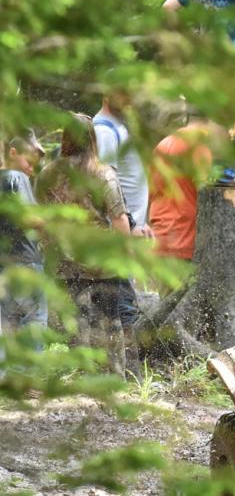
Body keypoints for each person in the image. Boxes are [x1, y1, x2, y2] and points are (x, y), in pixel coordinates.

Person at [35, 114, 131, 375]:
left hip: (64, 262)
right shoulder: (103, 173)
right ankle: (115, 377)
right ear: (92, 138)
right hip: (103, 262)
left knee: (77, 323)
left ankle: (83, 376)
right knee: (110, 321)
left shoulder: (47, 174)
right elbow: (119, 219)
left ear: (64, 137)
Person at [93, 85, 149, 369]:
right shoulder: (104, 131)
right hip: (119, 233)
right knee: (123, 305)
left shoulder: (118, 126)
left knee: (123, 303)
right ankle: (129, 371)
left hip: (128, 228)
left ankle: (125, 370)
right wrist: (130, 225)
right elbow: (106, 186)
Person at [0, 133, 48, 350]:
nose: (31, 169)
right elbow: (30, 219)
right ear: (12, 153)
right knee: (33, 325)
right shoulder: (15, 177)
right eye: (29, 162)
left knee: (7, 330)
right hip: (25, 264)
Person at [148, 116, 217, 262]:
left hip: (159, 233)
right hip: (184, 238)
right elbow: (206, 195)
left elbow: (151, 189)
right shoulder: (198, 146)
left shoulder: (164, 143)